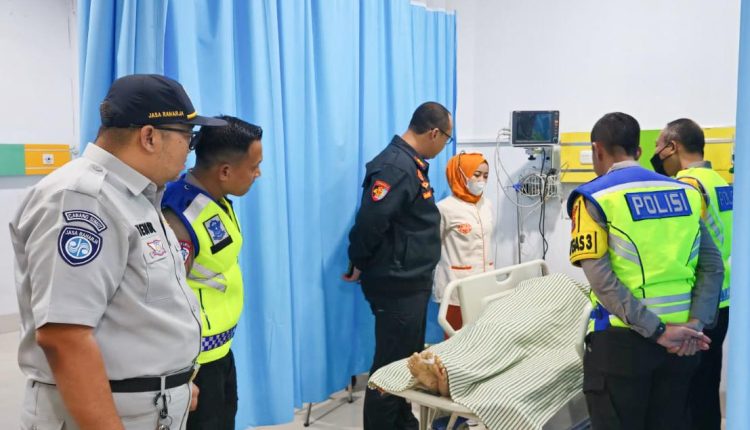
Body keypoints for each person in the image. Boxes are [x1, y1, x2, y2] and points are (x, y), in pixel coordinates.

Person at [10, 74, 227, 429]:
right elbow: (64, 337)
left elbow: (136, 310)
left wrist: (173, 383)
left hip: (145, 407)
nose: (190, 151)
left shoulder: (136, 196)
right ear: (149, 136)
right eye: (187, 137)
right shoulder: (84, 199)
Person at [566, 112, 724, 429]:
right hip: (682, 346)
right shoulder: (687, 193)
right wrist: (694, 325)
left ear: (597, 149)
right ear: (638, 151)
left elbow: (603, 283)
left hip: (624, 347)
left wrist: (659, 331)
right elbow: (713, 266)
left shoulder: (594, 198)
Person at [345, 101, 452, 430]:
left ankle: (402, 421)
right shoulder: (396, 166)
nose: (444, 145)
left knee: (408, 363)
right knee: (389, 368)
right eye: (446, 138)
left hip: (410, 281)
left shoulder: (411, 163)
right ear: (434, 133)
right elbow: (371, 221)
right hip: (396, 283)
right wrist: (358, 260)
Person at [161, 116, 263, 430]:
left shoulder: (214, 200)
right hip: (193, 365)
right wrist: (180, 375)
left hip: (217, 352)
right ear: (225, 171)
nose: (258, 174)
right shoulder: (179, 215)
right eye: (254, 166)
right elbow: (165, 300)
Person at [651, 118, 732, 430]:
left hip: (696, 302)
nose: (657, 155)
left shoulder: (686, 188)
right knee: (706, 389)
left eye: (658, 147)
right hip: (723, 300)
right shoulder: (720, 182)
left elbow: (679, 248)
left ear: (672, 147)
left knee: (684, 397)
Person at [433, 152, 494, 334]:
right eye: (476, 174)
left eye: (485, 176)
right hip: (455, 286)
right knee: (456, 340)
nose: (481, 180)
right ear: (460, 174)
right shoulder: (444, 208)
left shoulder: (487, 205)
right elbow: (431, 247)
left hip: (485, 283)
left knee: (481, 336)